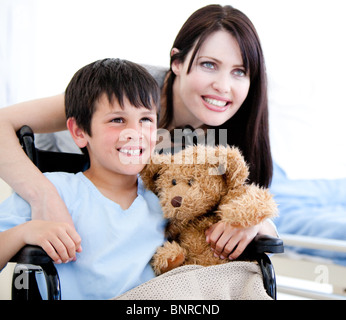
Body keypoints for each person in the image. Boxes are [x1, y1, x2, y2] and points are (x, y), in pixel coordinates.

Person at [0, 5, 277, 263]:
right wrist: (44, 196)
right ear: (177, 62)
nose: (223, 85)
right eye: (208, 64)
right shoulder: (129, 90)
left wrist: (255, 221)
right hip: (70, 194)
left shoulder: (231, 139)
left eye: (240, 72)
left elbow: (248, 206)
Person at [0, 58, 166, 299]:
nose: (135, 133)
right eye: (117, 120)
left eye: (146, 120)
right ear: (79, 132)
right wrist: (25, 232)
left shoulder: (166, 196)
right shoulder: (58, 190)